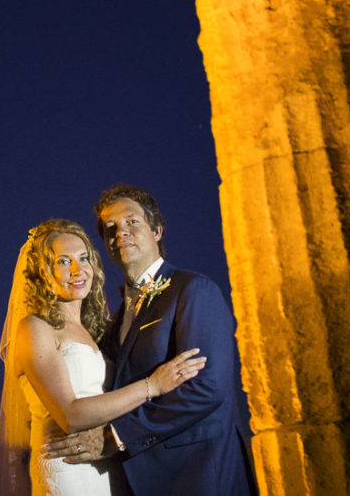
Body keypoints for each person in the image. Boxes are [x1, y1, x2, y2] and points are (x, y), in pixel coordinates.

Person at [49, 183, 257, 495]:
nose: (121, 233)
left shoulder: (193, 290)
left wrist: (115, 436)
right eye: (111, 228)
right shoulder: (116, 320)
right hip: (137, 480)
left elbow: (207, 387)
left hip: (198, 475)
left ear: (157, 230)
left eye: (132, 222)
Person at [0, 219, 206, 496]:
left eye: (83, 258)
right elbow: (70, 414)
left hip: (101, 464)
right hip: (65, 468)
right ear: (42, 272)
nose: (77, 270)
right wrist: (151, 386)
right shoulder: (35, 328)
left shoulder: (94, 331)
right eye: (62, 261)